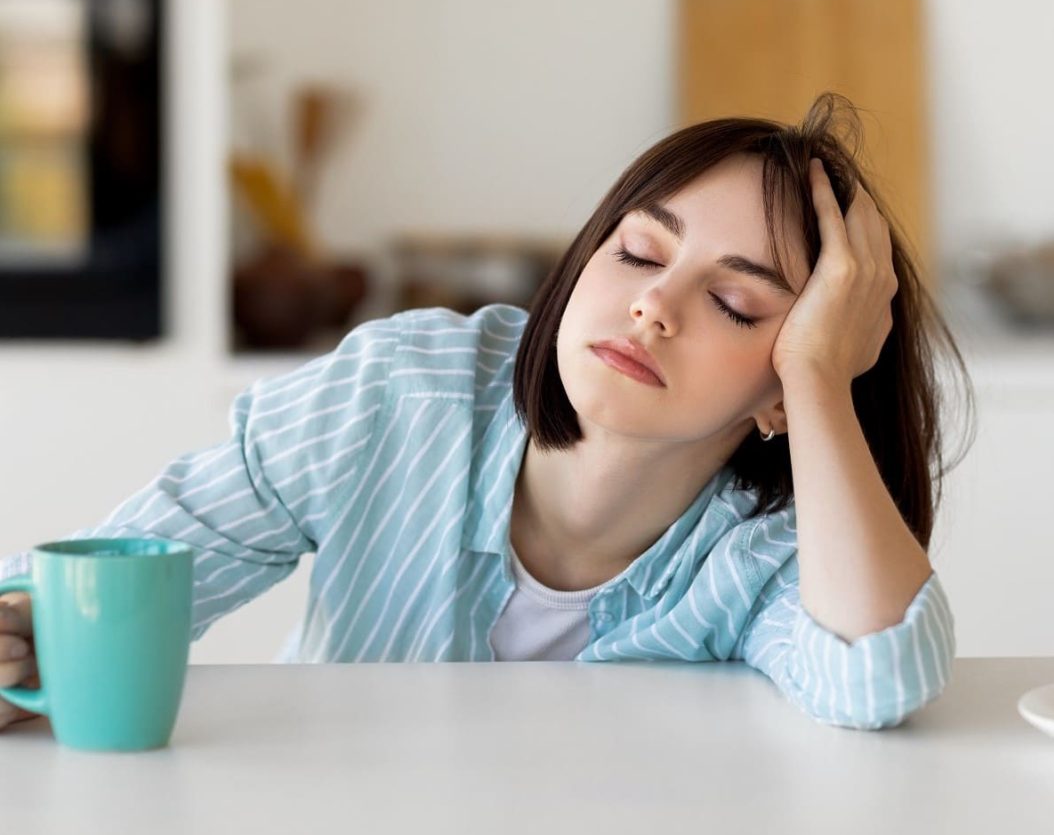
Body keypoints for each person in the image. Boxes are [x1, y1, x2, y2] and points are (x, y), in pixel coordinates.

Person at [0, 92, 975, 732]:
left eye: (736, 303)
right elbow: (93, 602)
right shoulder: (398, 391)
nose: (653, 306)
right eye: (639, 252)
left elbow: (876, 679)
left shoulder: (766, 552)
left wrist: (818, 381)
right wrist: (20, 635)